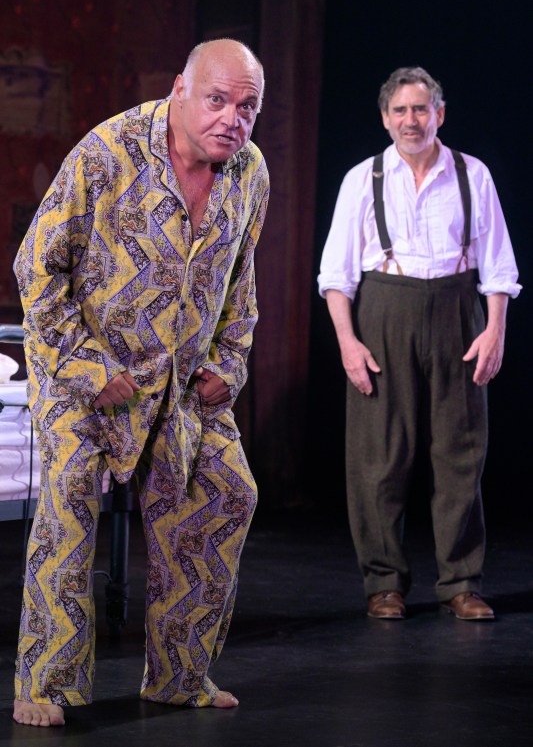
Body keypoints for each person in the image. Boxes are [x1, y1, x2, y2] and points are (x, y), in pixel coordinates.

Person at [12, 38, 269, 727]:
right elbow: (36, 268)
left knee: (228, 492)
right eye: (217, 100)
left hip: (180, 384)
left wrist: (228, 364)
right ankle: (46, 684)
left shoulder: (250, 172)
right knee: (69, 498)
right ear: (180, 89)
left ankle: (180, 676)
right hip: (86, 377)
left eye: (247, 106)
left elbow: (241, 285)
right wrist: (87, 368)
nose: (232, 118)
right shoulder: (108, 151)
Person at [318, 66, 520, 622]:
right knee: (379, 456)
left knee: (461, 452)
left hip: (457, 310)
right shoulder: (362, 179)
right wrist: (348, 342)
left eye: (421, 109)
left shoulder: (472, 174)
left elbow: (498, 266)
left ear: (440, 114)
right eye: (401, 110)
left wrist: (494, 330)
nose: (411, 120)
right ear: (385, 118)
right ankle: (384, 583)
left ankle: (461, 583)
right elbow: (336, 275)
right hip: (384, 309)